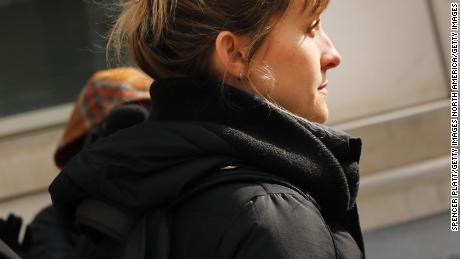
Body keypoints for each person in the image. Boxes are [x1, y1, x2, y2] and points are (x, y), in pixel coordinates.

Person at [49, 0, 365, 258]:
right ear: (235, 53)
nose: (332, 55)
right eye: (310, 28)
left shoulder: (137, 181)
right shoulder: (271, 218)